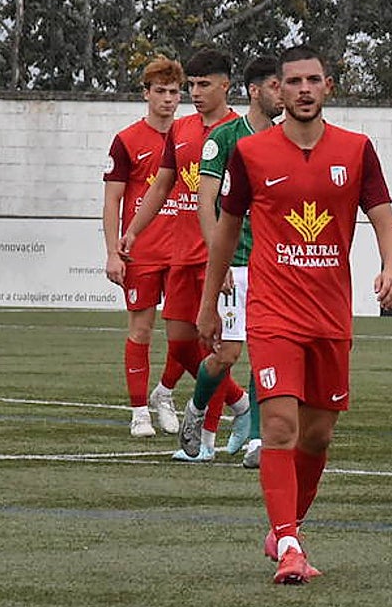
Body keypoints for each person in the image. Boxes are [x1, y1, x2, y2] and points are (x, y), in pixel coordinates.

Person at [197, 44, 392, 584]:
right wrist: (209, 301)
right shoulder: (251, 153)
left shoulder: (357, 150)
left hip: (331, 315)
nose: (304, 90)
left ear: (328, 86)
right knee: (279, 427)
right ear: (278, 90)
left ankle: (286, 527)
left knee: (318, 437)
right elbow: (225, 232)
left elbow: (385, 219)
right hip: (274, 312)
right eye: (294, 82)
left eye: (314, 80)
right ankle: (290, 545)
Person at [120, 49, 251, 461]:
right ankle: (241, 404)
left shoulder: (241, 132)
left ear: (226, 85)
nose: (194, 92)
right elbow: (161, 186)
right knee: (180, 345)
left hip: (222, 260)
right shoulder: (180, 129)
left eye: (203, 84)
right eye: (191, 85)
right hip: (182, 253)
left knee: (217, 349)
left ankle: (205, 442)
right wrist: (133, 230)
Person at [178, 55, 282, 469]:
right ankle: (197, 407)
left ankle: (258, 438)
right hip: (235, 261)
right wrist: (216, 262)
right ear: (255, 91)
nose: (284, 94)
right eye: (276, 86)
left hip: (273, 263)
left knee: (267, 349)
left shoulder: (287, 140)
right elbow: (205, 203)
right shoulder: (224, 138)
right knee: (227, 354)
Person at [102, 56, 187, 438]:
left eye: (174, 92)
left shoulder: (190, 136)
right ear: (146, 94)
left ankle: (164, 393)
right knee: (141, 329)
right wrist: (112, 252)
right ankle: (139, 412)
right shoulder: (127, 140)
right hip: (143, 252)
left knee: (185, 335)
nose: (168, 99)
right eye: (161, 91)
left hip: (185, 250)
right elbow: (112, 200)